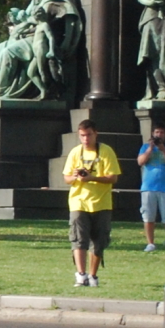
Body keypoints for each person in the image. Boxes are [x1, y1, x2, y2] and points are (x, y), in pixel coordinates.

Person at [64, 119, 120, 288]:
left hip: (101, 203)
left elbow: (113, 177)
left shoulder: (106, 151)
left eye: (89, 135)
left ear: (96, 133)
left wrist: (92, 177)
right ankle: (80, 275)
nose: (86, 139)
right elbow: (66, 178)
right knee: (78, 239)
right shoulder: (75, 152)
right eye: (82, 135)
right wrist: (75, 177)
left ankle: (93, 275)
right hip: (78, 202)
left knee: (99, 241)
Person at [135, 124, 165, 251]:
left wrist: (163, 150)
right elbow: (140, 162)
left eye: (161, 133)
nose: (159, 135)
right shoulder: (145, 147)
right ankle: (150, 243)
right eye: (157, 132)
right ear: (153, 134)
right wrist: (150, 148)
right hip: (148, 187)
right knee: (148, 216)